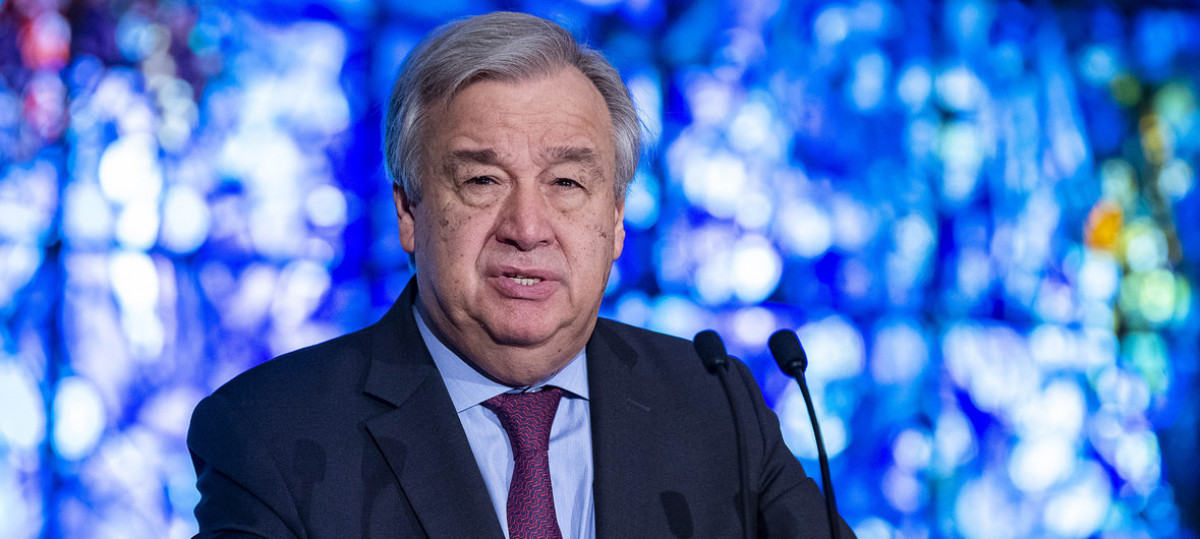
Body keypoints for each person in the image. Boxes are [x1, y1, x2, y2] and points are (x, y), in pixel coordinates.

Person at [187, 11, 854, 538]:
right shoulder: (269, 434)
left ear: (616, 219)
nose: (527, 228)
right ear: (409, 212)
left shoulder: (715, 404)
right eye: (482, 181)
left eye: (566, 183)